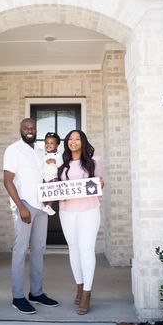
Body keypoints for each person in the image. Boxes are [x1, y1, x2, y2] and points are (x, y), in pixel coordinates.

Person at [3, 118, 59, 314]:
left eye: (33, 128)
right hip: (24, 206)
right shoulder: (13, 150)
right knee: (20, 250)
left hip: (41, 206)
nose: (29, 130)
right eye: (26, 128)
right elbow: (7, 180)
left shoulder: (38, 152)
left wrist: (50, 198)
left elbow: (46, 177)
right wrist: (21, 207)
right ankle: (18, 297)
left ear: (36, 130)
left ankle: (36, 293)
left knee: (38, 250)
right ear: (20, 129)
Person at [57, 129, 104, 315]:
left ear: (83, 142)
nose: (73, 141)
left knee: (86, 249)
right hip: (67, 212)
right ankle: (79, 286)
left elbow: (101, 184)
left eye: (77, 139)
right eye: (70, 139)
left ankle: (87, 293)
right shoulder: (62, 164)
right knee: (74, 249)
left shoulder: (94, 162)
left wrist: (100, 183)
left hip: (89, 211)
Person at [42, 132, 63, 216]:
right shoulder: (42, 154)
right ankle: (44, 205)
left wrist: (54, 161)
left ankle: (49, 206)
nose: (48, 145)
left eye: (51, 143)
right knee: (43, 194)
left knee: (52, 192)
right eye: (46, 143)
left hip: (53, 178)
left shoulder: (58, 155)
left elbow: (61, 163)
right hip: (44, 178)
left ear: (57, 145)